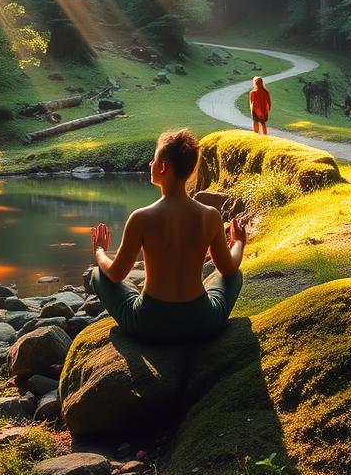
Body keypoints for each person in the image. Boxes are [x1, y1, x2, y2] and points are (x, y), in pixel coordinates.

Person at [89, 128, 246, 342]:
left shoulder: (141, 217)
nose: (150, 164)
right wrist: (238, 243)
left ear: (163, 167)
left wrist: (99, 250)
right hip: (201, 322)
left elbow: (116, 274)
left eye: (153, 160)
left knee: (98, 274)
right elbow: (228, 269)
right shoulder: (210, 216)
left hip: (148, 324)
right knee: (235, 276)